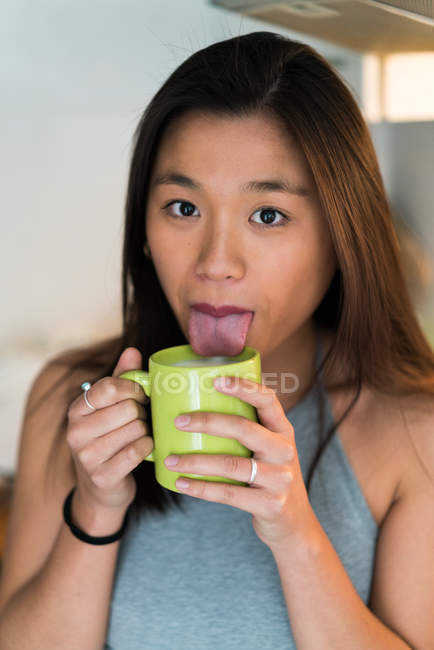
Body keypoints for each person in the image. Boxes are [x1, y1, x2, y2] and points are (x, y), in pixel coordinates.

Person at [0, 30, 433, 650]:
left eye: (268, 215)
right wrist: (96, 507)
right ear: (143, 228)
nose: (216, 262)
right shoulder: (71, 400)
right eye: (182, 207)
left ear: (341, 238)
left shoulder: (416, 432)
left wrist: (296, 533)